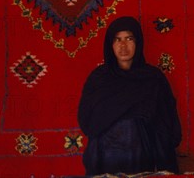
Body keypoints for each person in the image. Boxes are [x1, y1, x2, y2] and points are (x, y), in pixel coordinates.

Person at [78, 16, 182, 175]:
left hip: (141, 156)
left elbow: (166, 127)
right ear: (110, 45)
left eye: (129, 39)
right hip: (104, 156)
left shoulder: (152, 79)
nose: (123, 46)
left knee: (131, 126)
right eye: (117, 39)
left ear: (138, 42)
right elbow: (87, 122)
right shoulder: (99, 79)